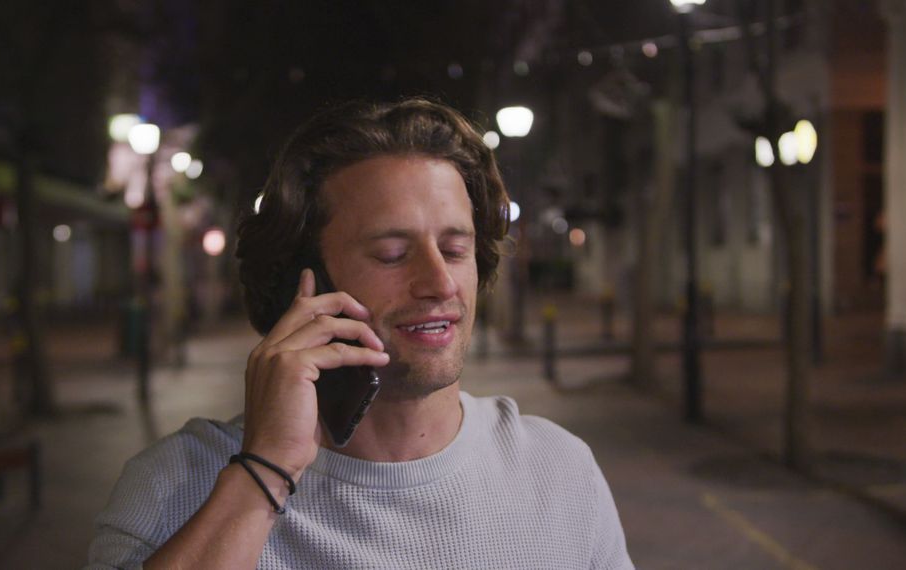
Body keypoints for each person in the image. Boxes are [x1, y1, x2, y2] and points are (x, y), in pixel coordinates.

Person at [86, 98, 634, 570]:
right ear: (307, 284)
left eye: (455, 249)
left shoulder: (560, 470)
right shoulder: (176, 485)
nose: (439, 282)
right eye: (392, 254)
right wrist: (266, 469)